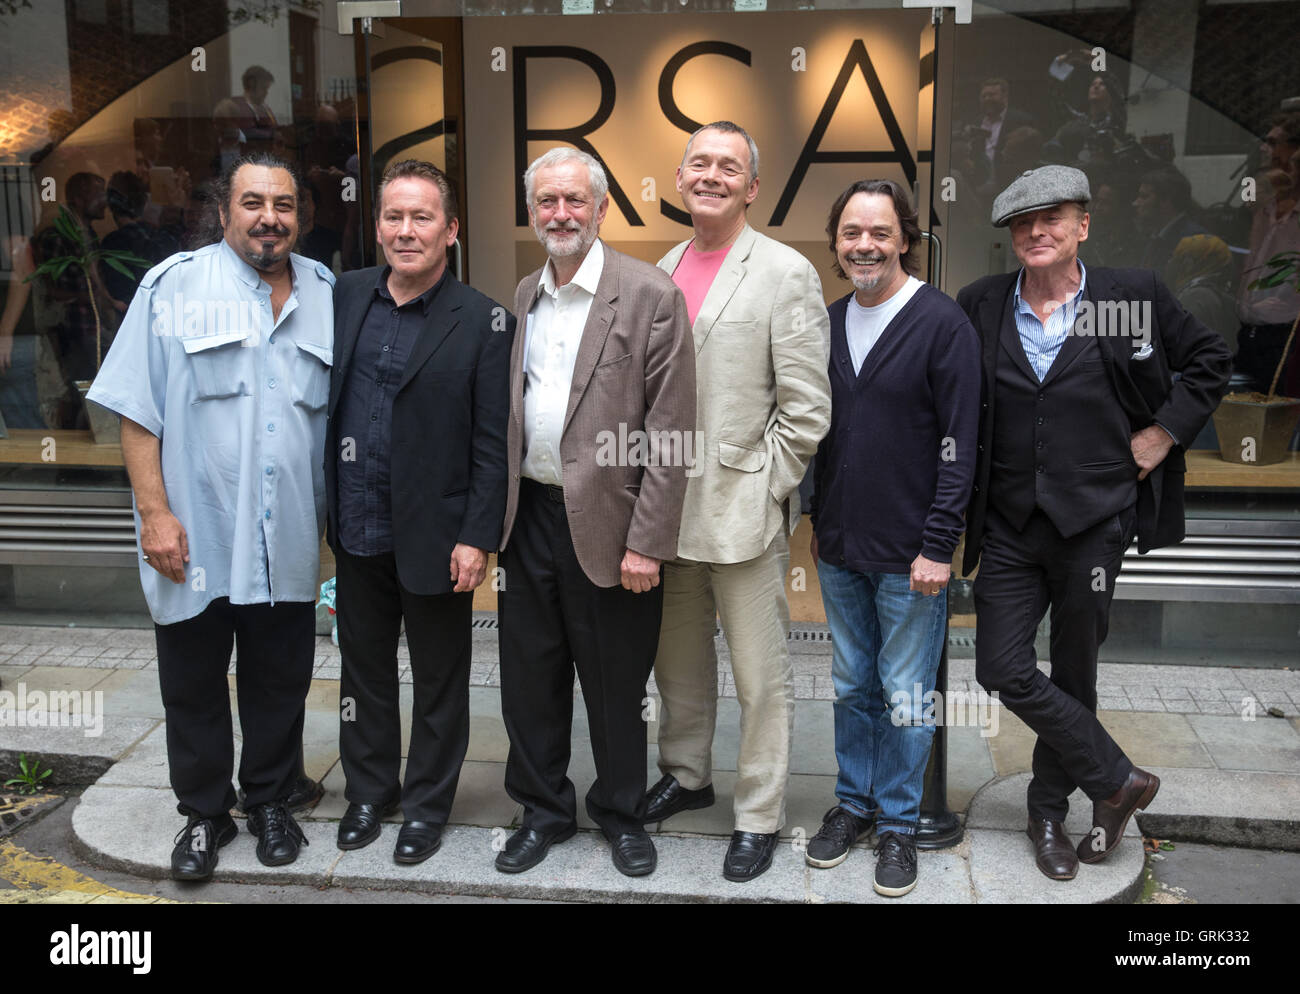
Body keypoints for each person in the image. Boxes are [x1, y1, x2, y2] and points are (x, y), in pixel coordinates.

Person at [955, 165, 1231, 881]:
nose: (1036, 232)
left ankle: (1049, 816)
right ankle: (1117, 779)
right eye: (1023, 222)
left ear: (1083, 225)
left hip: (1095, 523)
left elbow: (1211, 358)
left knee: (1075, 672)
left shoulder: (1128, 298)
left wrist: (1163, 433)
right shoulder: (982, 303)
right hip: (1010, 523)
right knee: (1001, 665)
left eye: (1052, 218)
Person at [86, 152, 336, 881]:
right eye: (253, 203)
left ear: (300, 217)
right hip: (196, 533)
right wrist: (154, 514)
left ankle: (270, 800)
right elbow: (137, 411)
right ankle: (203, 813)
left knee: (279, 678)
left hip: (287, 536)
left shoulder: (325, 292)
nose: (269, 218)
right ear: (224, 212)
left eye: (283, 205)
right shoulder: (173, 287)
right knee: (193, 680)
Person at [496, 148, 695, 878]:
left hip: (614, 528)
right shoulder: (525, 294)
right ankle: (543, 811)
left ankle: (621, 813)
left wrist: (649, 542)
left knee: (616, 686)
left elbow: (672, 433)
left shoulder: (650, 295)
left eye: (574, 200)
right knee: (529, 680)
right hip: (529, 519)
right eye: (547, 202)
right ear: (532, 212)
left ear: (603, 208)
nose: (561, 214)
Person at [646, 121, 831, 882]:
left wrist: (765, 488)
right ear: (680, 178)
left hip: (743, 514)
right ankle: (687, 775)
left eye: (729, 166)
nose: (711, 176)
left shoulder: (785, 272)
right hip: (668, 511)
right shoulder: (662, 267)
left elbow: (808, 408)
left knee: (761, 678)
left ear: (751, 187)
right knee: (677, 665)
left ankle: (758, 812)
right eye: (700, 163)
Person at [326, 159, 512, 864]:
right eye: (394, 217)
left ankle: (427, 807)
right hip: (356, 526)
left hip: (438, 536)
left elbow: (493, 441)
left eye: (422, 217)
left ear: (451, 229)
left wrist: (477, 536)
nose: (406, 231)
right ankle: (369, 793)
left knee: (439, 680)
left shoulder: (486, 320)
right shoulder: (346, 295)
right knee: (363, 671)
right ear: (378, 226)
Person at [807, 179, 979, 896]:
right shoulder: (827, 321)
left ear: (905, 238)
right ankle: (854, 805)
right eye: (851, 233)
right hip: (841, 548)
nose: (865, 245)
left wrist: (939, 546)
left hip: (913, 556)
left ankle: (900, 825)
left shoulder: (941, 323)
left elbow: (960, 446)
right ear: (837, 242)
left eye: (880, 232)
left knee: (906, 694)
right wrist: (817, 517)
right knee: (853, 686)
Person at [1235, 112, 1300, 394]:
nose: (1265, 149)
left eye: (1274, 143)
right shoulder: (1265, 209)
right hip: (1251, 328)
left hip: (1286, 335)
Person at [1132, 167, 1207, 279]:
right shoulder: (1155, 238)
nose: (1135, 203)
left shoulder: (1193, 241)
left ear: (1166, 201)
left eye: (1144, 197)